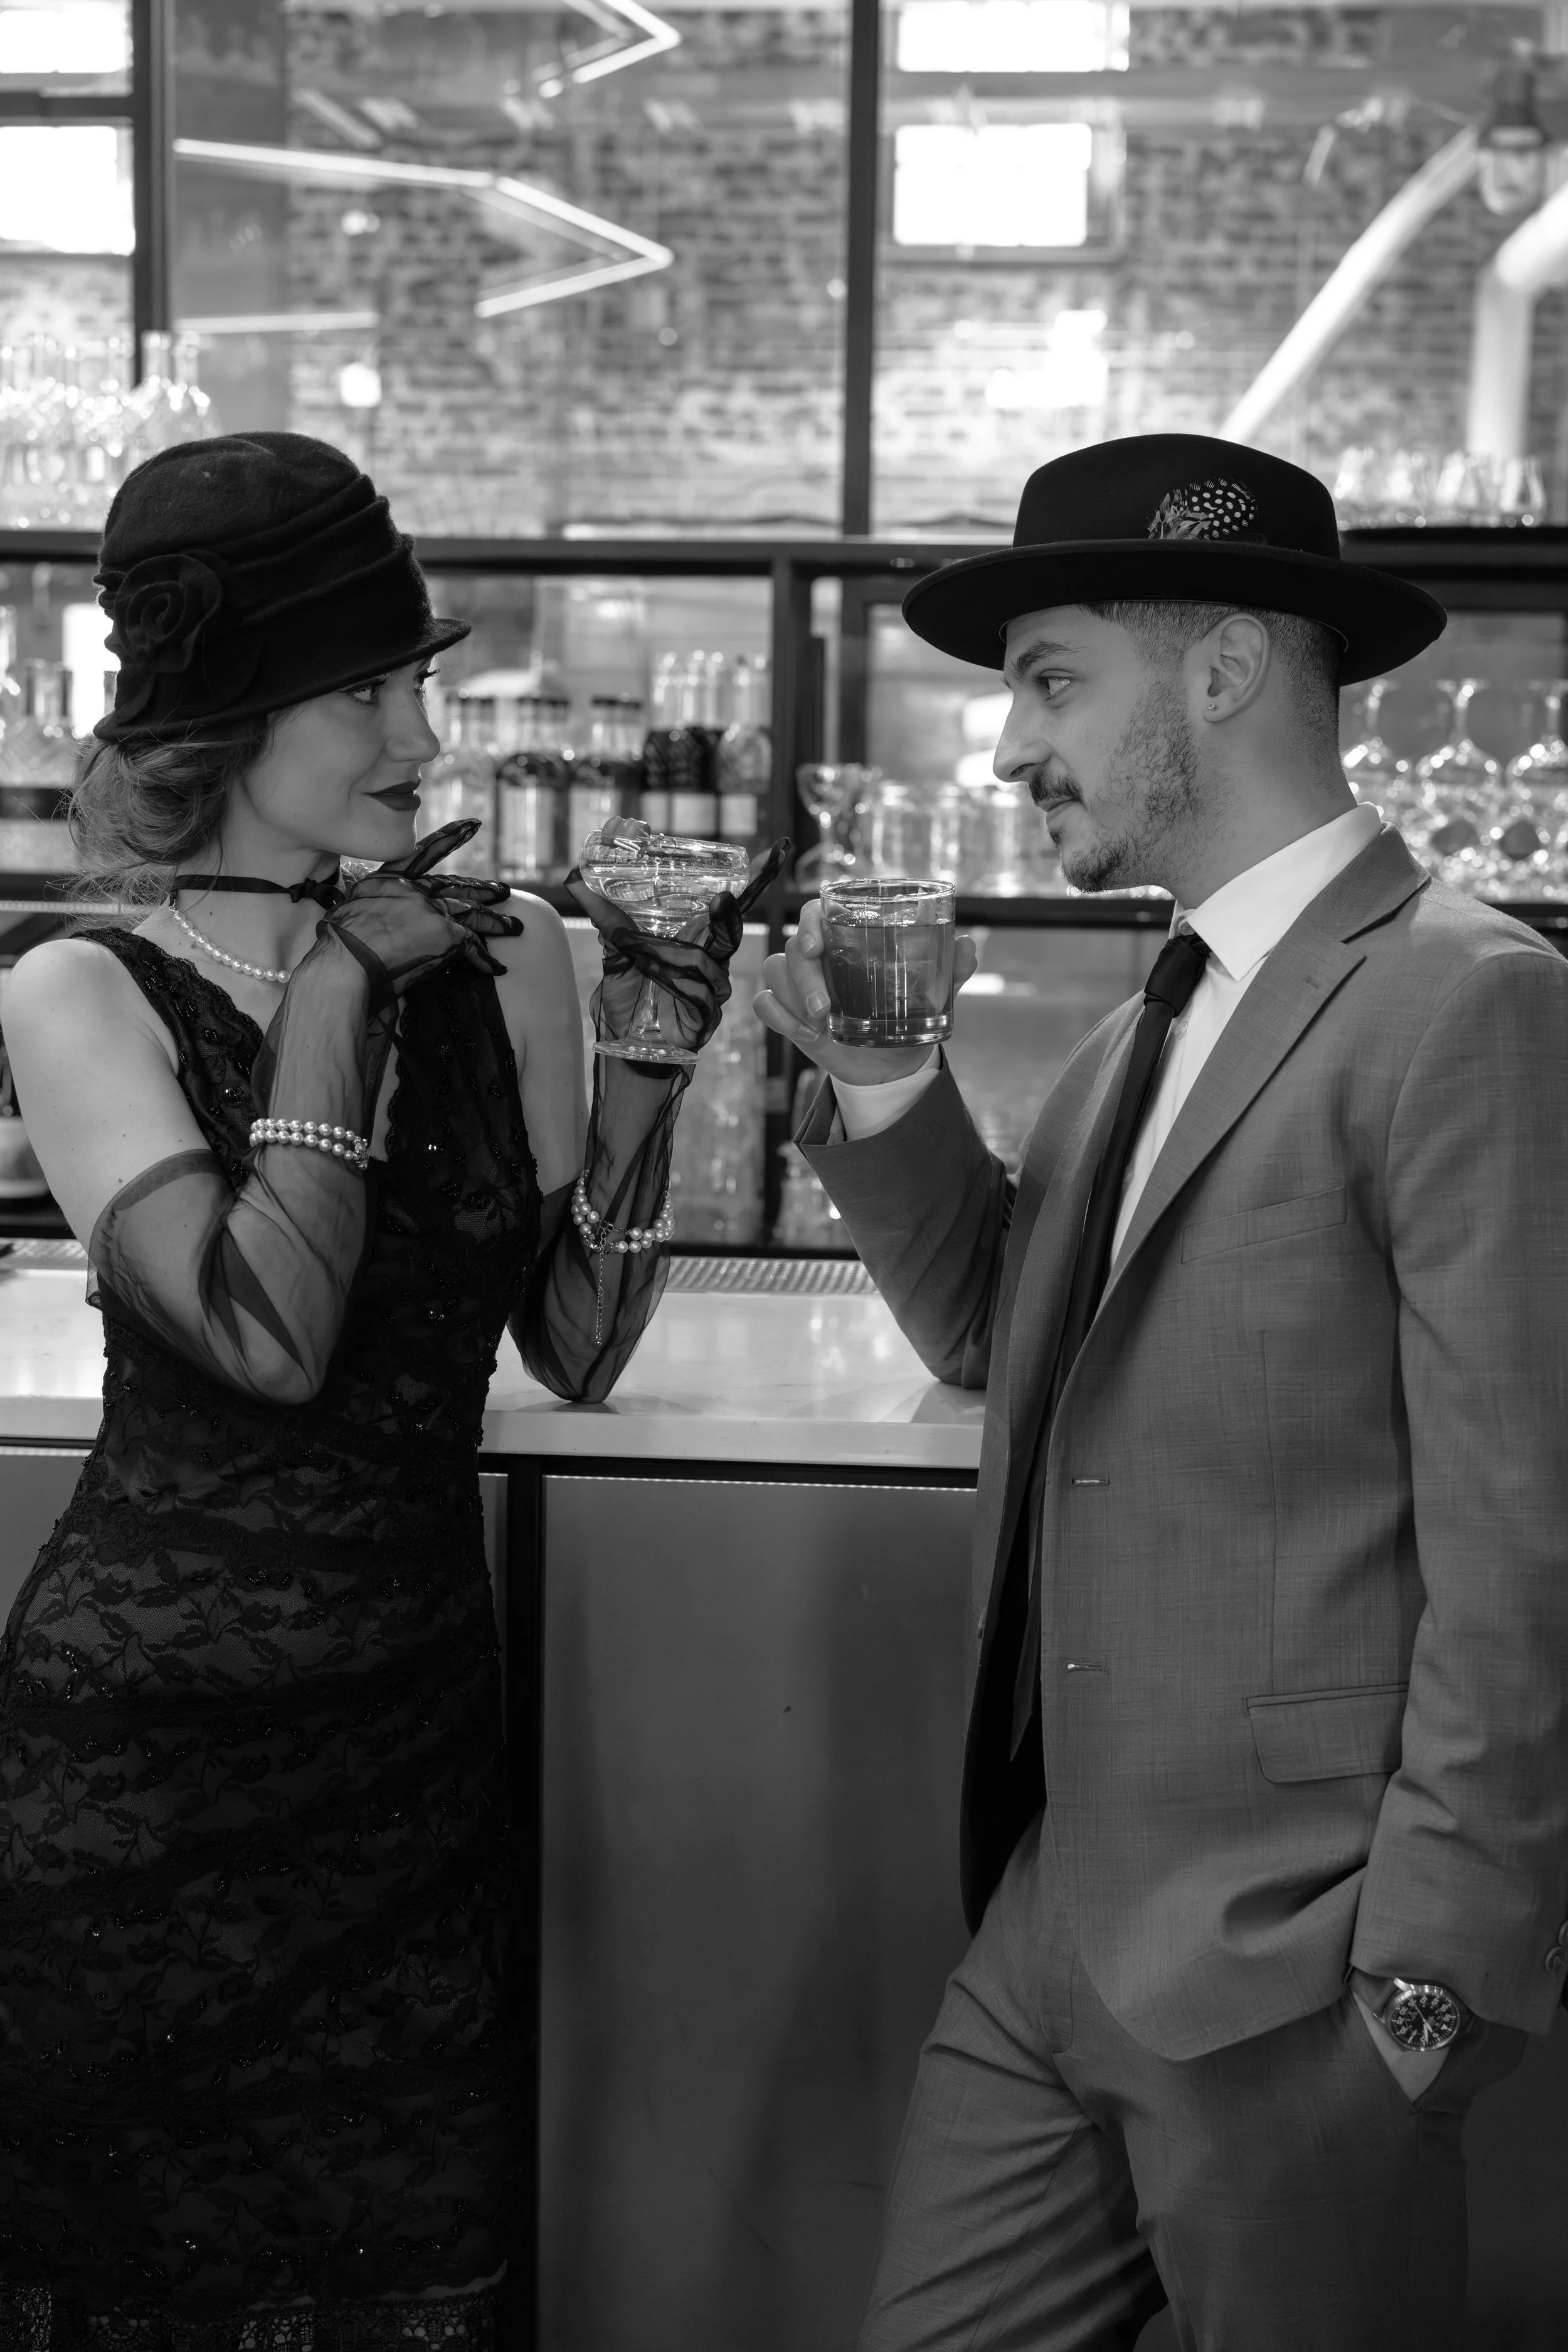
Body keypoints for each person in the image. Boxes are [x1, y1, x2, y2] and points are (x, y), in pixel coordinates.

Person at [755, 433, 1568, 2350]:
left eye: (1049, 681)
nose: (1011, 748)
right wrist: (883, 1083)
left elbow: (1526, 1535)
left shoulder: (1468, 999)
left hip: (1300, 1968)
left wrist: (1426, 1992)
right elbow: (997, 1341)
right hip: (1050, 1915)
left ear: (1217, 675)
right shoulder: (1149, 1022)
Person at [0, 432, 745, 2349]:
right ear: (236, 712)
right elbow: (262, 1333)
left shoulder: (515, 967)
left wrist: (651, 1062)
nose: (423, 727)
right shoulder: (77, 985)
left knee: (410, 2272)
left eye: (417, 674)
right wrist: (337, 993)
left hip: (409, 1758)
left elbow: (572, 1338)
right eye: (370, 684)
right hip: (144, 1772)